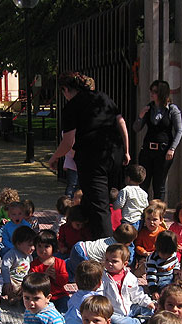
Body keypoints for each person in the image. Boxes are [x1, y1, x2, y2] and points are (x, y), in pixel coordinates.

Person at [48, 71, 131, 239]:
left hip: (93, 159)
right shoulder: (102, 97)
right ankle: (84, 235)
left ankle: (107, 249)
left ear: (65, 89)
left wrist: (55, 157)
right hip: (114, 153)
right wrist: (126, 150)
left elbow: (68, 142)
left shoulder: (72, 106)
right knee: (98, 200)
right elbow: (121, 123)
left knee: (99, 207)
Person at [133, 80, 182, 200]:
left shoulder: (172, 109)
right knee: (143, 182)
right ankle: (142, 211)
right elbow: (136, 128)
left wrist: (172, 148)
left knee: (159, 184)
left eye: (155, 91)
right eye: (151, 91)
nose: (152, 94)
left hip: (163, 151)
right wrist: (140, 116)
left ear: (162, 93)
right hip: (147, 150)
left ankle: (158, 213)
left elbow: (179, 130)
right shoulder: (149, 108)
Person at [101, 243, 156, 324]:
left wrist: (148, 303)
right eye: (107, 260)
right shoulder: (103, 278)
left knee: (147, 308)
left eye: (114, 261)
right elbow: (100, 296)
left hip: (129, 308)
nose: (109, 263)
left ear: (125, 264)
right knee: (113, 320)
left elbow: (137, 293)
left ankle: (156, 316)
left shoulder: (130, 277)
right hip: (114, 312)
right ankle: (140, 323)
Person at [30, 230, 69, 313]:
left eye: (46, 246)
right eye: (39, 246)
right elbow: (32, 282)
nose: (42, 249)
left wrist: (55, 276)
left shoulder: (60, 262)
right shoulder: (34, 264)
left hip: (59, 295)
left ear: (53, 247)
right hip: (42, 296)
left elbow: (64, 281)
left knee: (65, 306)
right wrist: (44, 275)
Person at [1, 226, 36, 304]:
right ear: (19, 244)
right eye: (30, 245)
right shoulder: (12, 254)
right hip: (12, 279)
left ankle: (20, 298)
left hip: (21, 282)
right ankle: (11, 296)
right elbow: (5, 267)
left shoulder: (29, 256)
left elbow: (29, 271)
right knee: (4, 284)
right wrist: (7, 282)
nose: (33, 248)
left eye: (34, 245)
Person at [146, 230, 179, 298]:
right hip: (159, 280)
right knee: (166, 290)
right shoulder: (153, 260)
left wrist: (176, 276)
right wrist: (153, 290)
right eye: (163, 254)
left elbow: (176, 265)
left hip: (171, 276)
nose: (166, 256)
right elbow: (151, 276)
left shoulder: (173, 255)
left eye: (169, 254)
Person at [114, 164, 148, 229]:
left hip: (128, 221)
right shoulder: (144, 193)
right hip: (140, 221)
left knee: (125, 237)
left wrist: (113, 203)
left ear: (128, 178)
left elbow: (119, 205)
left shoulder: (125, 190)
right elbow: (146, 206)